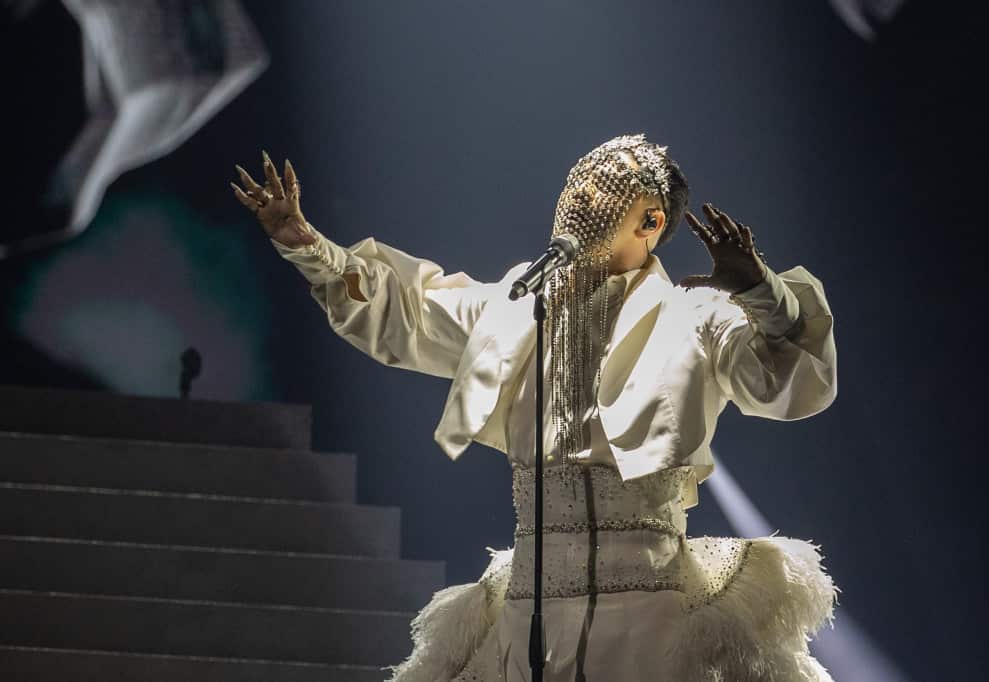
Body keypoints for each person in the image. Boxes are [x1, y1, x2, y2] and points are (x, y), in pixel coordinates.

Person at [231, 134, 840, 681]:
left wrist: (759, 290)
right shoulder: (518, 305)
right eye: (578, 181)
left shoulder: (696, 314)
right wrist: (309, 247)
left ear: (651, 221)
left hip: (653, 612)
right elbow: (411, 309)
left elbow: (789, 382)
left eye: (604, 187)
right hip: (532, 608)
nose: (580, 195)